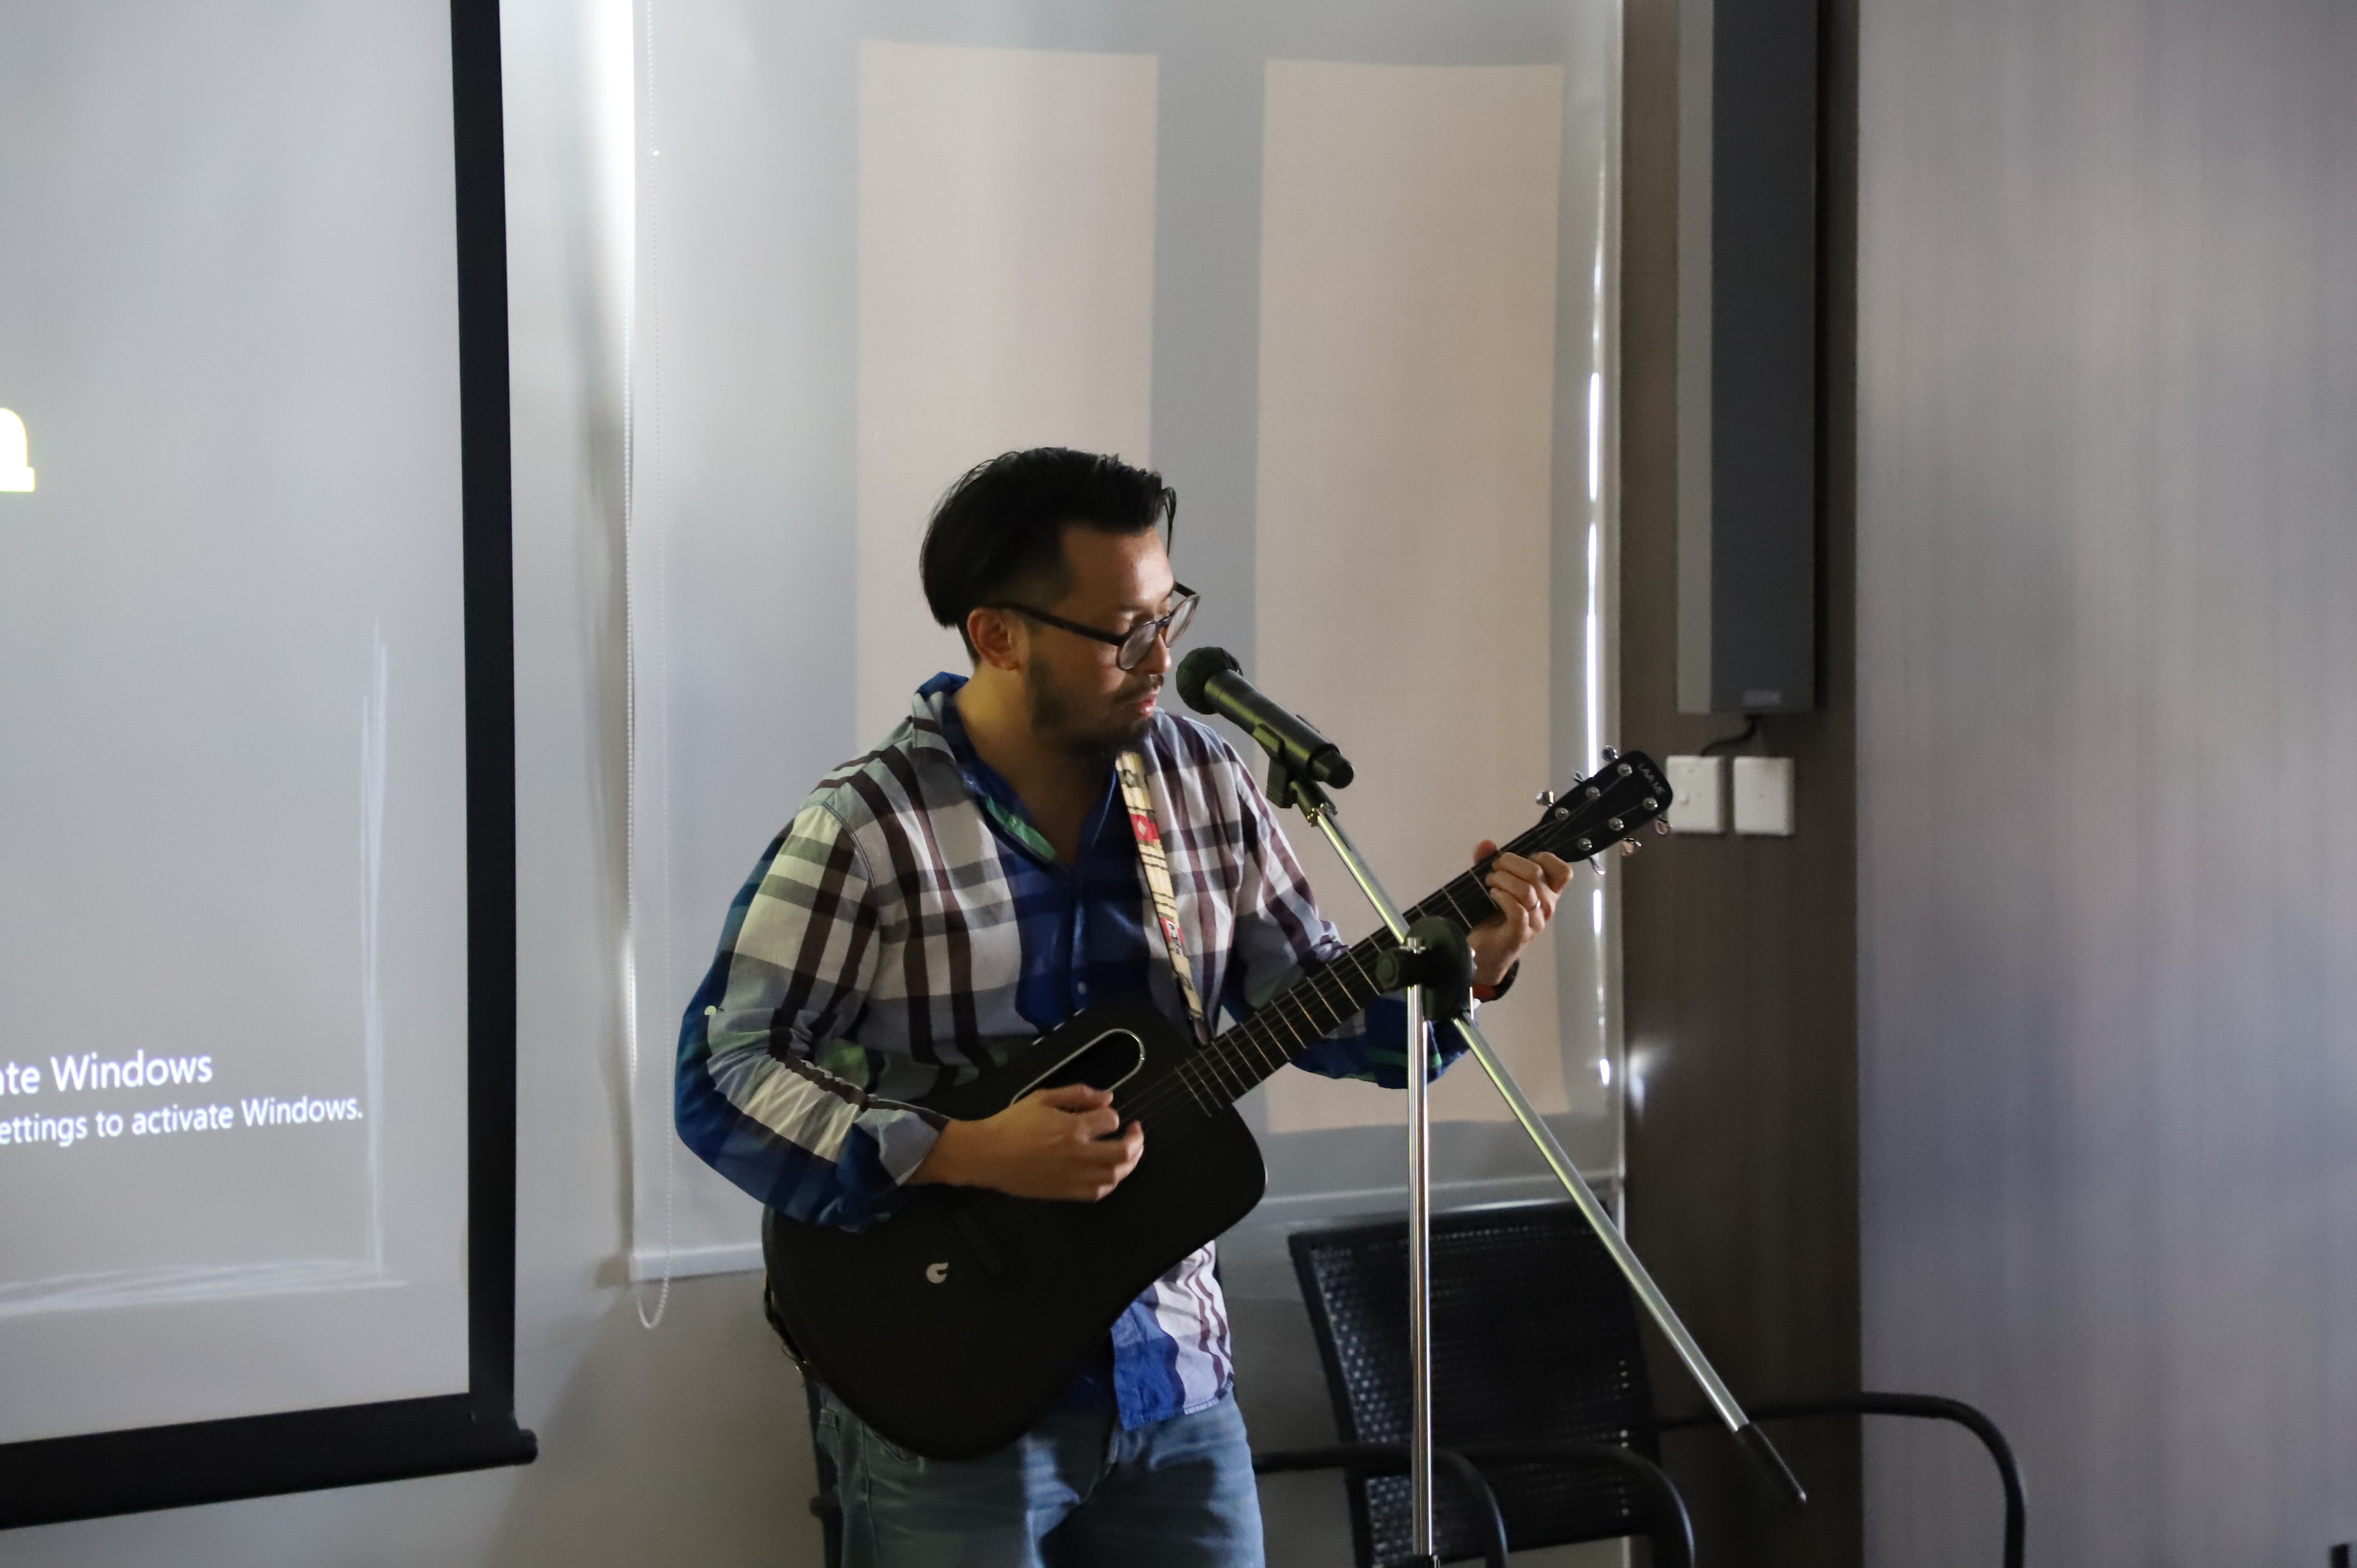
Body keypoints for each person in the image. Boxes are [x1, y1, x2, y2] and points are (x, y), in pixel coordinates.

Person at [675, 448, 1573, 1567]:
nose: (1161, 657)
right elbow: (726, 1074)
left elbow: (1320, 1005)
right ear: (998, 635)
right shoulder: (869, 827)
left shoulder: (1202, 779)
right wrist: (966, 1150)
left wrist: (1469, 965)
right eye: (1122, 632)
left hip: (1175, 1378)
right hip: (952, 1386)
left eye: (1167, 616)